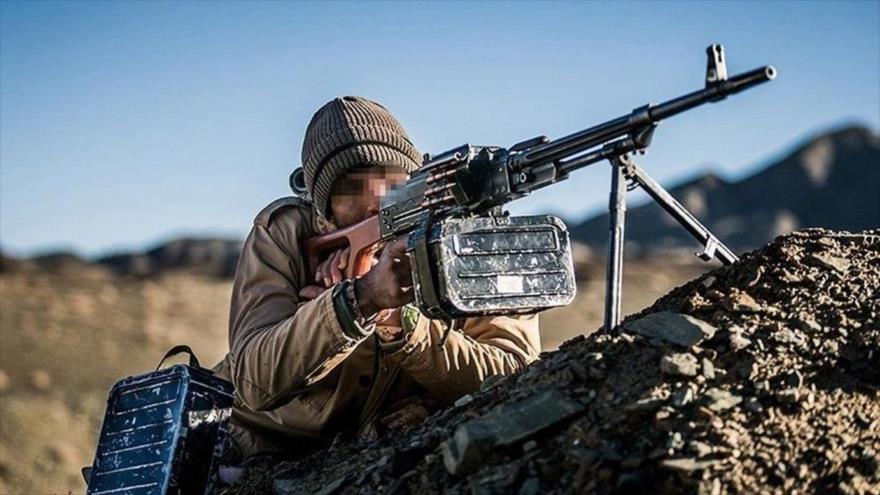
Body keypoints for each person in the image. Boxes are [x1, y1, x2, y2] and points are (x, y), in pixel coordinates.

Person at [213, 96, 540, 461]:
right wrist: (356, 302)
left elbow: (515, 375)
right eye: (352, 188)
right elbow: (253, 381)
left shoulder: (465, 237)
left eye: (393, 182)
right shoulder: (285, 232)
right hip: (256, 443)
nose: (375, 202)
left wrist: (401, 322)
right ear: (324, 210)